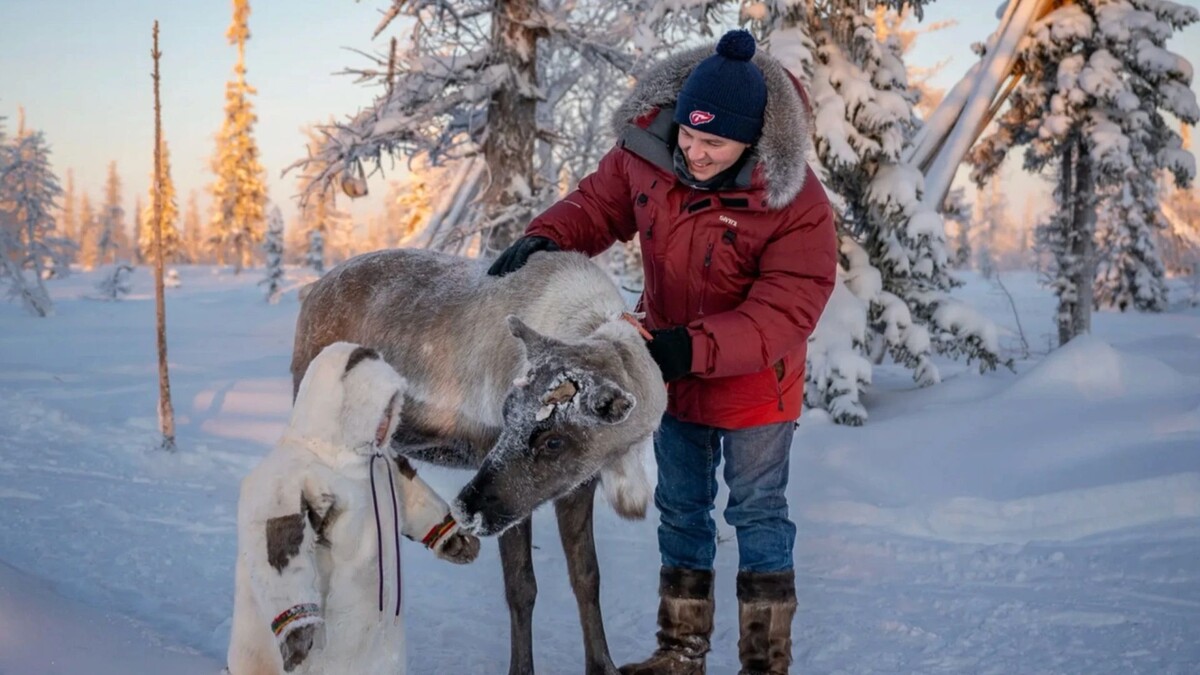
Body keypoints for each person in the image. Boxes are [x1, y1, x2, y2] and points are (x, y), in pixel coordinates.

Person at [489, 28, 836, 675]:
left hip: (758, 387)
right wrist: (545, 238)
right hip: (672, 374)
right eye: (689, 135)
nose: (695, 153)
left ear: (752, 141)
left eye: (714, 143)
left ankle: (765, 659)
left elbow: (787, 308)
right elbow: (598, 206)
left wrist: (689, 346)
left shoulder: (794, 202)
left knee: (756, 511)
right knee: (681, 509)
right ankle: (681, 652)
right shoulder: (648, 155)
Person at [227, 342, 480, 675]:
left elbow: (409, 495)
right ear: (338, 406)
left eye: (389, 411)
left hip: (372, 628)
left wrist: (442, 531)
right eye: (371, 409)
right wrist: (293, 617)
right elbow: (278, 555)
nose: (383, 421)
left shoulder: (379, 462)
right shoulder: (293, 471)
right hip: (317, 639)